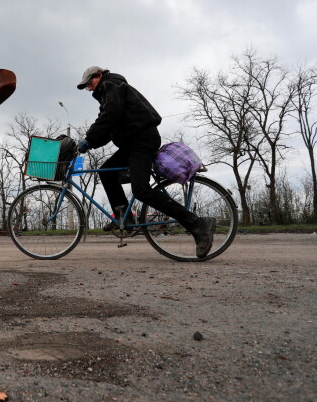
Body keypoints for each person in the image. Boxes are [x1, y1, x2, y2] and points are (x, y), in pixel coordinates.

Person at [75, 66, 216, 258]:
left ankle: (197, 223)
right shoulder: (111, 90)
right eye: (86, 87)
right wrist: (90, 142)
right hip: (132, 143)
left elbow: (109, 116)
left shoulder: (111, 85)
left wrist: (89, 139)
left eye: (89, 83)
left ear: (98, 76)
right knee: (106, 171)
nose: (89, 89)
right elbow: (109, 126)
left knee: (141, 190)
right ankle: (124, 218)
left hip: (141, 141)